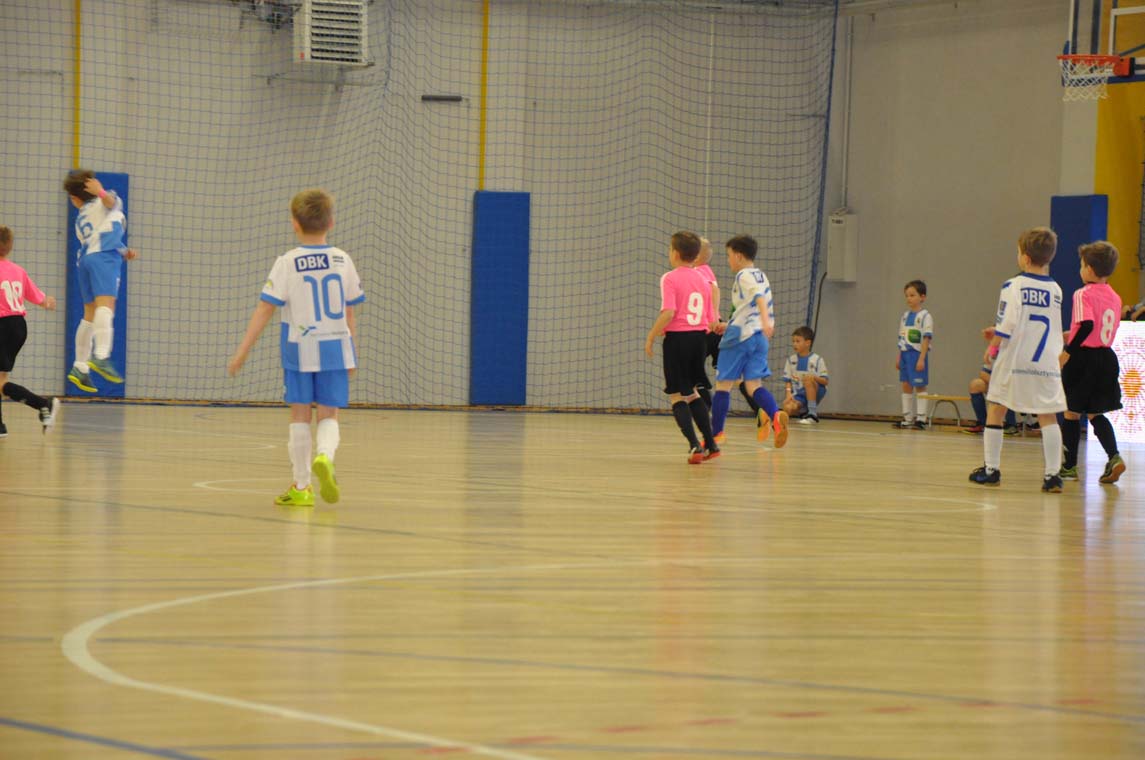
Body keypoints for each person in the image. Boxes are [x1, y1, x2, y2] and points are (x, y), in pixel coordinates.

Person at [228, 189, 365, 506]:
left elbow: (265, 308)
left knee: (300, 414)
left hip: (299, 348)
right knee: (329, 413)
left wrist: (243, 351)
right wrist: (352, 352)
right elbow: (349, 311)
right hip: (336, 347)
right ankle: (325, 455)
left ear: (295, 224)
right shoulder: (342, 260)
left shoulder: (287, 262)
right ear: (331, 222)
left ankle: (302, 487)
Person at [969, 227, 1066, 492]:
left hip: (1015, 360)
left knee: (996, 409)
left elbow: (1008, 323)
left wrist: (992, 347)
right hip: (1045, 362)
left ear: (1024, 257)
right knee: (1048, 415)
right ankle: (1053, 475)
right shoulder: (1056, 290)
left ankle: (991, 470)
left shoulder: (1013, 286)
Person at [645, 231, 719, 464]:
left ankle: (695, 445)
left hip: (678, 340)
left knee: (677, 396)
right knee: (693, 392)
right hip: (699, 339)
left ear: (675, 253)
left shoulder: (669, 278)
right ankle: (711, 444)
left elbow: (669, 312)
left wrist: (651, 336)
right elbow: (710, 318)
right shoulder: (703, 280)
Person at [708, 235, 787, 448]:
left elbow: (758, 297)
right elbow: (750, 307)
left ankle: (716, 434)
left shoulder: (743, 275)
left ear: (739, 256)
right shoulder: (761, 275)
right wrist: (730, 324)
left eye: (728, 255)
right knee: (753, 385)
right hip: (759, 337)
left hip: (740, 336)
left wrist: (766, 320)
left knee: (723, 385)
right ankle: (775, 416)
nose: (728, 260)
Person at [63, 170, 138, 392]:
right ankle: (101, 355)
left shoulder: (81, 218)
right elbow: (110, 202)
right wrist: (102, 192)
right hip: (104, 258)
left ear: (75, 198)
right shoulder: (106, 199)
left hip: (85, 261)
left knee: (89, 314)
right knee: (107, 306)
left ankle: (80, 366)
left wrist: (123, 250)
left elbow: (99, 236)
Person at [1059, 241, 1127, 484]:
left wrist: (1068, 351)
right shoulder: (1115, 297)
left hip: (1082, 359)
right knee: (1096, 413)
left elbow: (1087, 325)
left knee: (1071, 412)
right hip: (1106, 357)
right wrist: (1072, 333)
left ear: (1088, 268)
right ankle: (1114, 456)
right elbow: (1098, 327)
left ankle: (1069, 467)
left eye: (1081, 265)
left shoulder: (1083, 294)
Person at [0, 226, 60, 437]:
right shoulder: (18, 271)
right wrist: (48, 302)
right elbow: (38, 297)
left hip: (2, 325)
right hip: (18, 326)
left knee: (1, 382)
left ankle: (43, 404)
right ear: (10, 246)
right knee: (1, 376)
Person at [963, 325, 1019, 435]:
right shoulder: (993, 351)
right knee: (975, 385)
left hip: (1013, 383)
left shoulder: (1011, 349)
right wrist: (995, 383)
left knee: (1006, 387)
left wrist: (999, 383)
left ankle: (1011, 425)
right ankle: (983, 423)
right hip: (997, 383)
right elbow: (983, 373)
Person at [893, 280, 932, 429]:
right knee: (906, 384)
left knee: (920, 385)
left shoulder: (925, 316)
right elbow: (901, 338)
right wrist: (899, 357)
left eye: (912, 295)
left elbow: (926, 338)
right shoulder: (904, 316)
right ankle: (907, 418)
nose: (909, 298)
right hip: (905, 355)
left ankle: (921, 419)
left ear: (922, 297)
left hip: (917, 355)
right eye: (907, 295)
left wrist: (921, 358)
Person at [781, 326, 828, 424]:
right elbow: (788, 381)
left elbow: (825, 381)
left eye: (798, 341)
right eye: (793, 341)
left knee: (808, 379)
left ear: (808, 343)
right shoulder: (790, 360)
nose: (794, 344)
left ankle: (812, 414)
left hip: (816, 390)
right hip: (799, 395)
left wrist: (814, 377)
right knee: (787, 407)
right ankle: (803, 412)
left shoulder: (817, 359)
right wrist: (788, 394)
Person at [694, 237, 720, 408]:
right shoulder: (705, 270)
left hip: (706, 329)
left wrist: (714, 316)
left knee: (692, 370)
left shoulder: (699, 271)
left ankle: (707, 408)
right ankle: (762, 409)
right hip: (714, 328)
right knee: (729, 376)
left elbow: (714, 290)